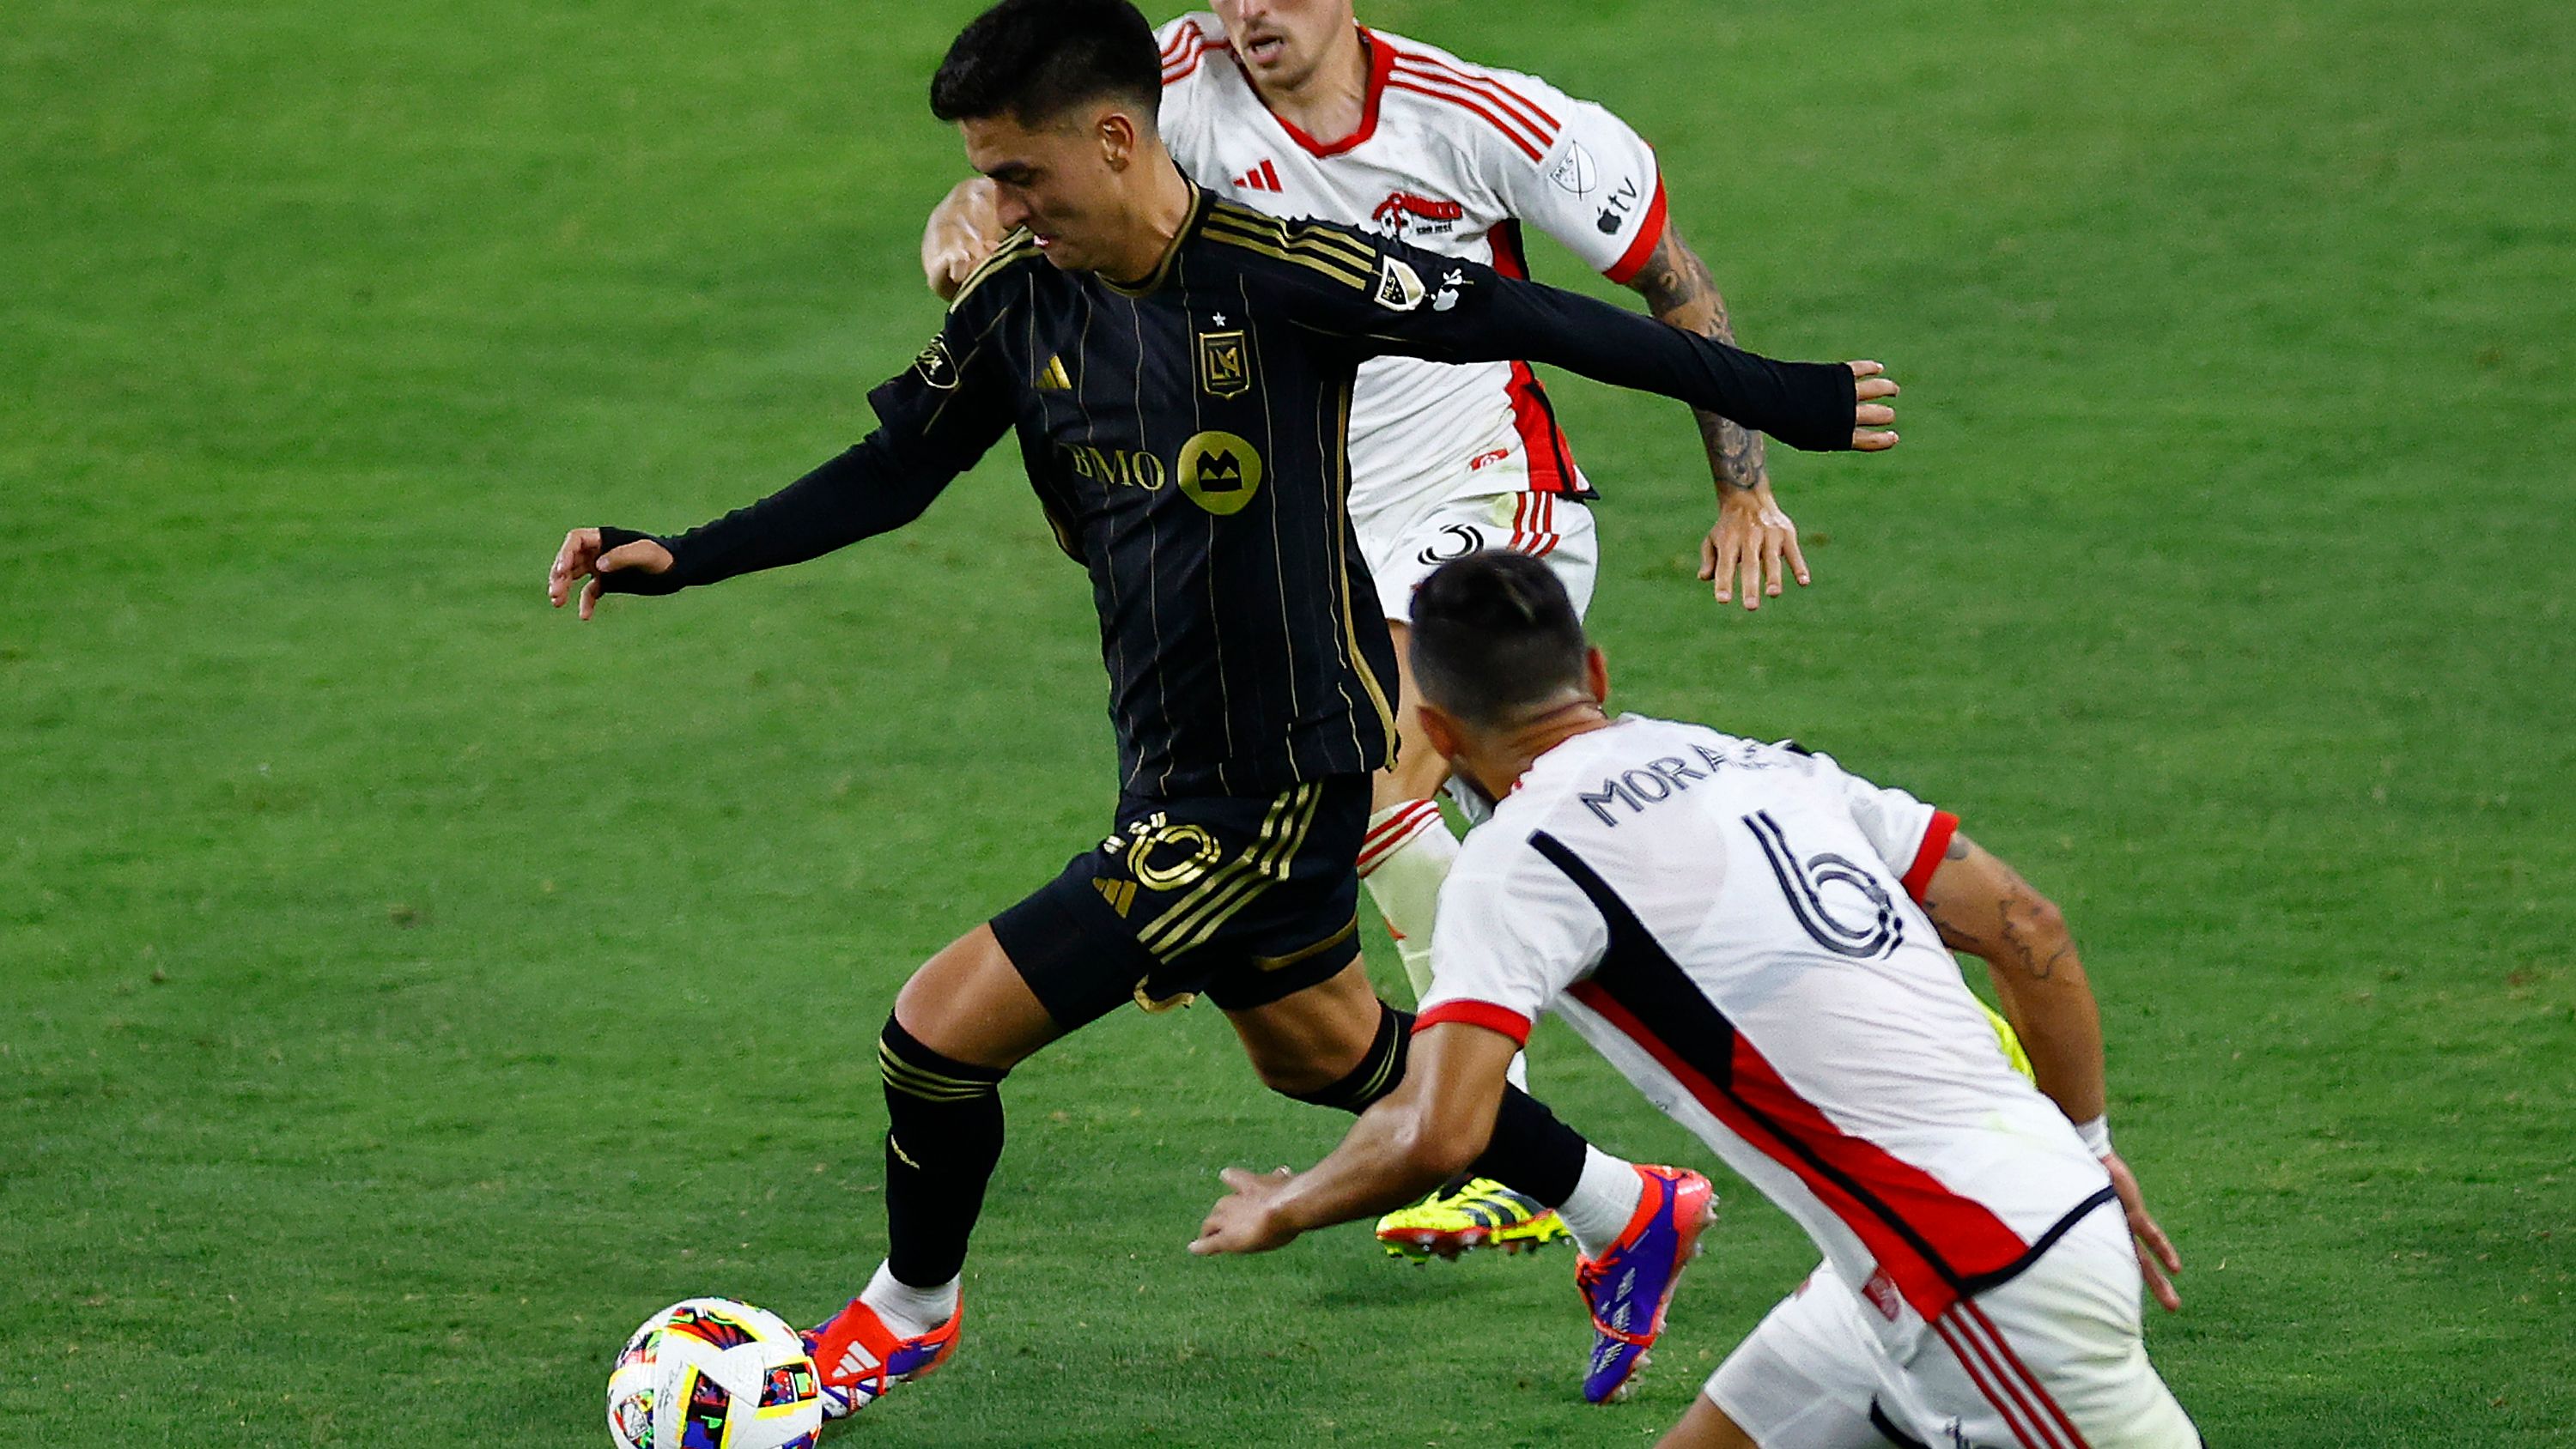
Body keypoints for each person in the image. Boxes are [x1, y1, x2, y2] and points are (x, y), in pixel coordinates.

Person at [546, 0, 1899, 1417]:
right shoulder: (1024, 303)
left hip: (1275, 779)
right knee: (1323, 1050)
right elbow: (890, 471)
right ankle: (1634, 1210)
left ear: (1116, 139)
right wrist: (682, 554)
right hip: (1168, 757)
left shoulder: (1286, 276)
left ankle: (908, 1310)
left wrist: (1782, 405)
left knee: (935, 1033)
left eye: (1017, 175)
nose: (992, 205)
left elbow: (1518, 311)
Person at [920, 0, 1826, 1252]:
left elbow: (1668, 281)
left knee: (1377, 780)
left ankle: (1483, 1136)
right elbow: (1007, 176)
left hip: (1489, 498)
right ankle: (1791, 969)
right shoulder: (1172, 84)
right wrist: (962, 225)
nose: (1250, 15)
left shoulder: (1477, 118)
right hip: (1324, 534)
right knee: (1557, 861)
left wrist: (1744, 479)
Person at [1191, 552, 2199, 1446]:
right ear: (1594, 674)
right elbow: (2031, 928)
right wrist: (2090, 1139)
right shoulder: (1761, 763)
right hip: (1911, 1262)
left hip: (1975, 1275)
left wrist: (1288, 1203)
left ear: (1441, 732)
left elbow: (1441, 1130)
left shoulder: (1518, 859)